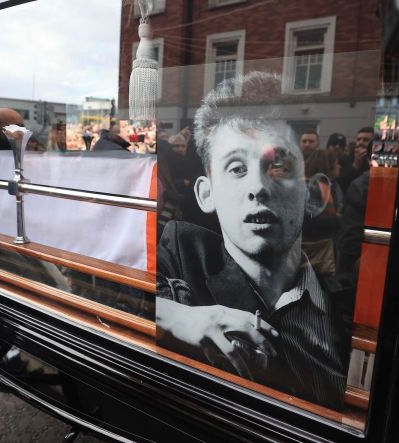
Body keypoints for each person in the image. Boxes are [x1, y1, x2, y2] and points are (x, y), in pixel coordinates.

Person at [156, 72, 354, 411]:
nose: (258, 188)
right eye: (236, 168)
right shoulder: (183, 253)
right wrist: (174, 316)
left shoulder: (350, 307)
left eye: (277, 166)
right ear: (206, 194)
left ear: (313, 194)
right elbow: (101, 292)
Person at [339, 127, 374, 192]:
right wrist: (355, 165)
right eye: (358, 139)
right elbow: (341, 183)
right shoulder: (345, 159)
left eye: (366, 140)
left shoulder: (376, 161)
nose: (361, 142)